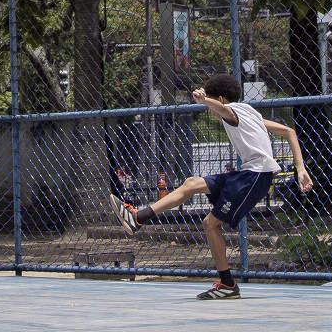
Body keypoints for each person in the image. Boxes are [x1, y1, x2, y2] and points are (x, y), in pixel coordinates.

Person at [121, 73, 313, 300]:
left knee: (211, 224)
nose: (210, 111)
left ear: (220, 99)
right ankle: (138, 217)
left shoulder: (232, 112)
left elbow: (224, 111)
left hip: (255, 177)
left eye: (212, 104)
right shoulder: (250, 111)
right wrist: (300, 168)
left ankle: (228, 284)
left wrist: (202, 99)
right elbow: (289, 131)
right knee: (191, 183)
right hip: (246, 174)